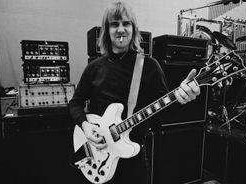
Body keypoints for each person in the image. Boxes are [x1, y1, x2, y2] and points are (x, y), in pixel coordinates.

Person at [68, 1, 200, 184]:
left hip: (133, 161)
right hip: (98, 153)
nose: (121, 29)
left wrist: (182, 98)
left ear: (134, 28)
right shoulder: (94, 68)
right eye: (115, 24)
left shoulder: (149, 66)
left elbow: (164, 115)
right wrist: (85, 126)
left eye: (126, 23)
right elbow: (75, 103)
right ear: (107, 30)